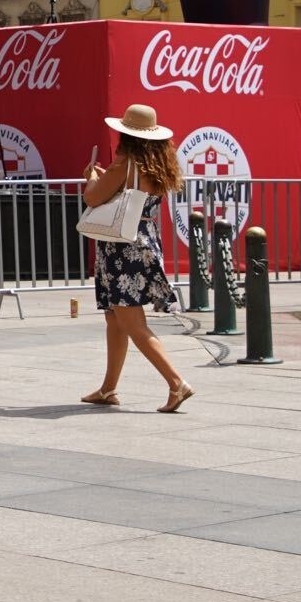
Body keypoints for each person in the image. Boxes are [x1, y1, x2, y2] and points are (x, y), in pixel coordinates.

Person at [81, 104, 194, 413]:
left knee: (131, 322)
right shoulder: (157, 166)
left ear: (126, 135)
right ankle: (108, 389)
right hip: (144, 241)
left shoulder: (125, 163)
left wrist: (91, 177)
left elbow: (93, 197)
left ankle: (176, 383)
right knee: (115, 318)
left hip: (120, 247)